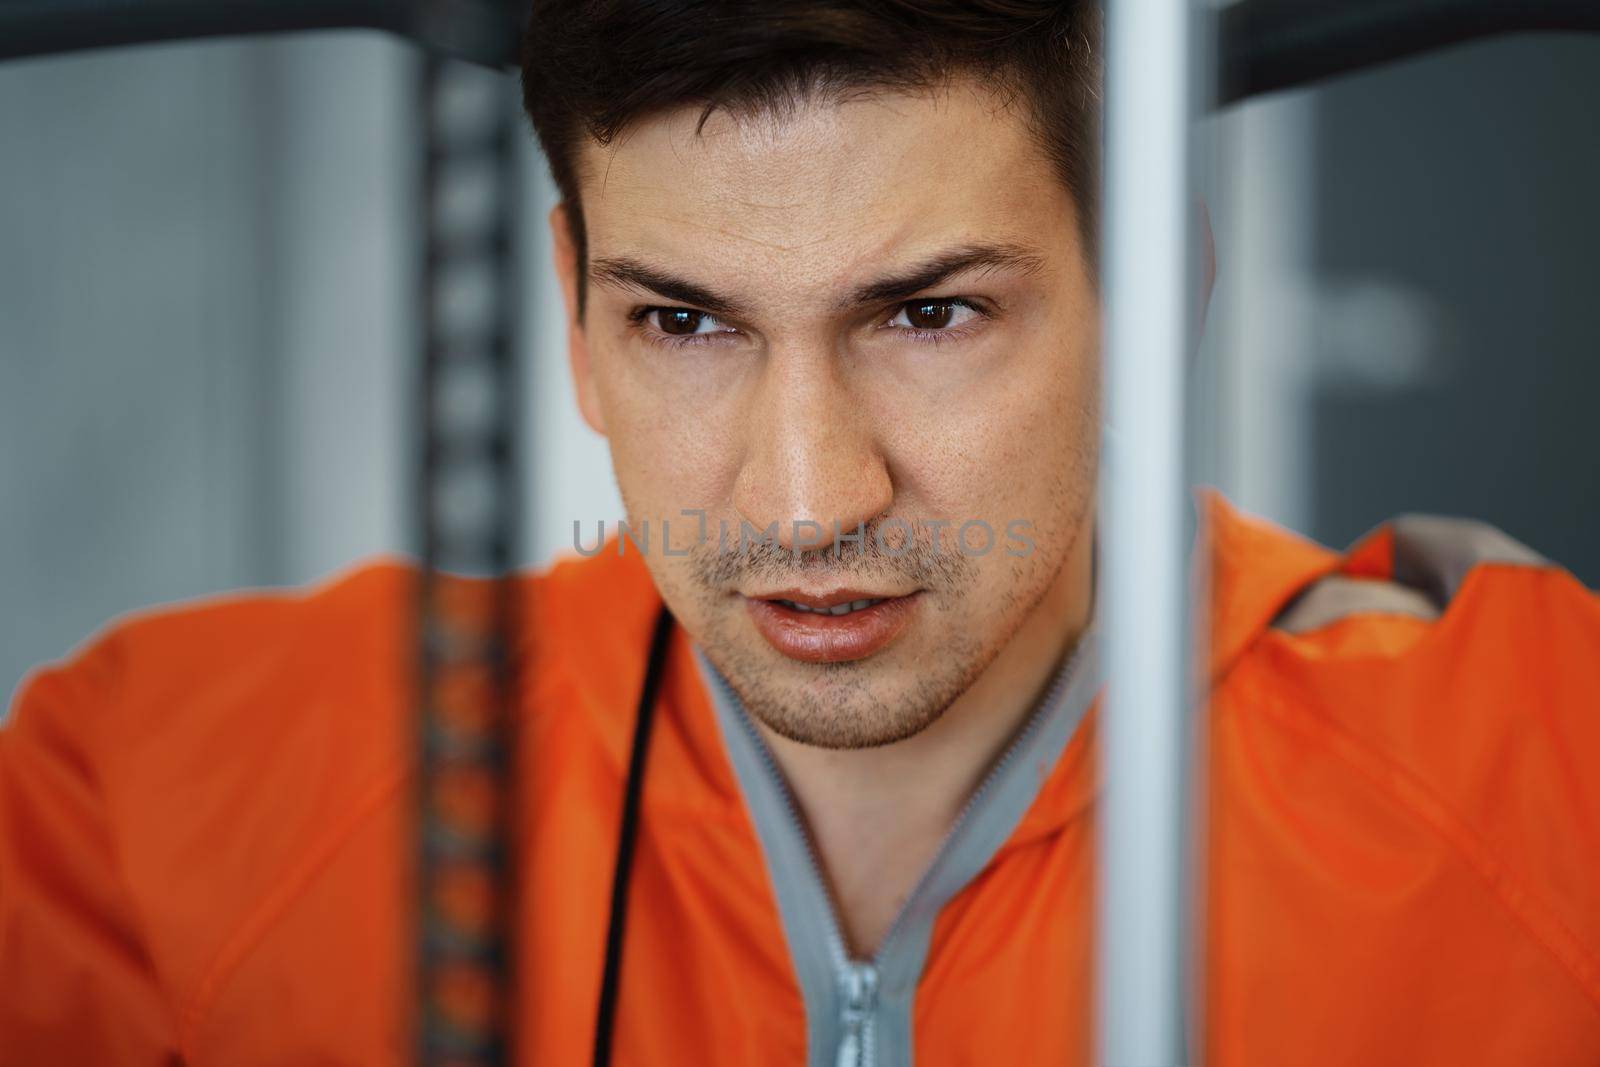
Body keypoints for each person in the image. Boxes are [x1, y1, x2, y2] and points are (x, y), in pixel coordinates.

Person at [3, 1, 1598, 1064]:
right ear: (572, 316)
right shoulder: (157, 800)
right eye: (686, 321)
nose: (806, 498)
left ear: (1154, 298)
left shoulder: (1537, 784)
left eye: (929, 312)